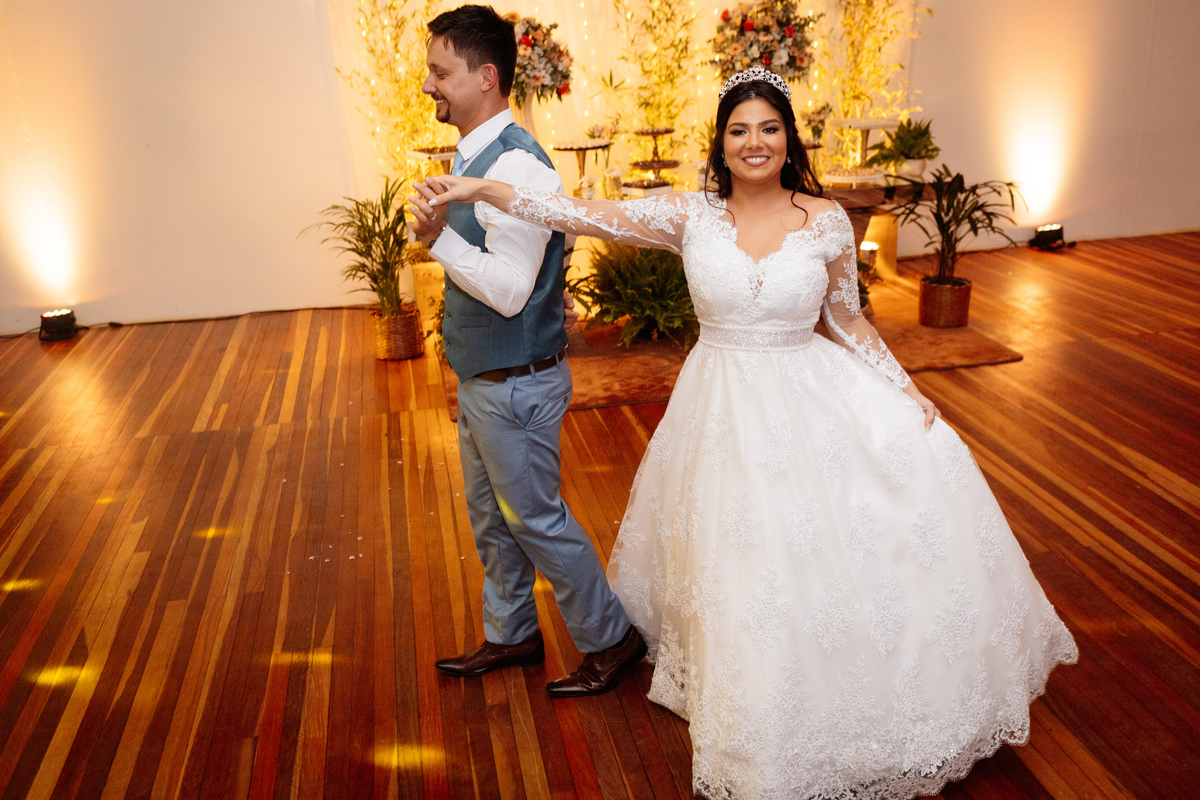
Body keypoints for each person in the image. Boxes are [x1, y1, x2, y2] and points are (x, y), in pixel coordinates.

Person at [411, 66, 1078, 799]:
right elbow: (578, 211)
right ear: (721, 143)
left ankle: (834, 689)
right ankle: (755, 702)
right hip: (721, 406)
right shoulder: (690, 215)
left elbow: (846, 318)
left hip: (808, 397)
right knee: (742, 556)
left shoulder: (825, 219)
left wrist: (904, 386)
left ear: (788, 138)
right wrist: (478, 189)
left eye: (768, 128)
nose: (754, 142)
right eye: (738, 130)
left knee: (822, 545)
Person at [413, 4, 645, 697]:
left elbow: (512, 292)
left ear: (486, 77)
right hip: (486, 378)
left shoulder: (520, 168)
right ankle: (512, 632)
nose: (428, 84)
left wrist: (437, 241)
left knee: (537, 519)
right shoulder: (473, 152)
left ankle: (612, 639)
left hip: (518, 384)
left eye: (440, 72)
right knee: (493, 520)